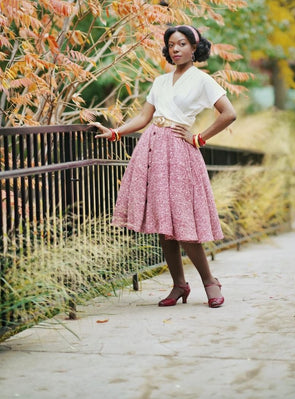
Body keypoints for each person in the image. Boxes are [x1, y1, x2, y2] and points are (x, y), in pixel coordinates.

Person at [92, 25, 236, 308]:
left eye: (182, 44)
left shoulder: (202, 80)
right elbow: (145, 117)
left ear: (195, 48)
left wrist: (199, 137)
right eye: (171, 44)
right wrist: (115, 132)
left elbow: (229, 113)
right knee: (163, 223)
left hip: (181, 151)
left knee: (183, 221)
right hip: (152, 149)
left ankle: (209, 281)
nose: (175, 49)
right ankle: (179, 285)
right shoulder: (160, 81)